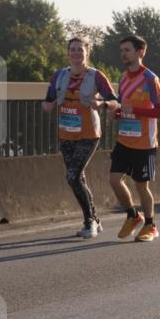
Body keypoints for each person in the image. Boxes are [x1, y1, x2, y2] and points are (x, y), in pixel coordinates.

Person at [42, 37, 118, 238]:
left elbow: (114, 102)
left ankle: (89, 222)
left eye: (80, 50)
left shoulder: (96, 76)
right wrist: (47, 105)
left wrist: (101, 104)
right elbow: (49, 99)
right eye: (73, 50)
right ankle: (95, 220)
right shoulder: (59, 75)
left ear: (87, 53)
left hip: (88, 134)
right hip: (66, 133)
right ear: (68, 53)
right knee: (78, 178)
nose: (76, 53)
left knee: (72, 176)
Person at [109, 35, 160, 242]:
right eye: (121, 50)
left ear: (140, 52)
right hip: (124, 139)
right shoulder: (123, 79)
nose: (123, 54)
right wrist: (115, 113)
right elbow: (122, 107)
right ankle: (133, 216)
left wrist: (136, 110)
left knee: (141, 185)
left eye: (127, 50)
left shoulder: (151, 79)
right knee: (114, 180)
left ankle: (151, 225)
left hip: (144, 142)